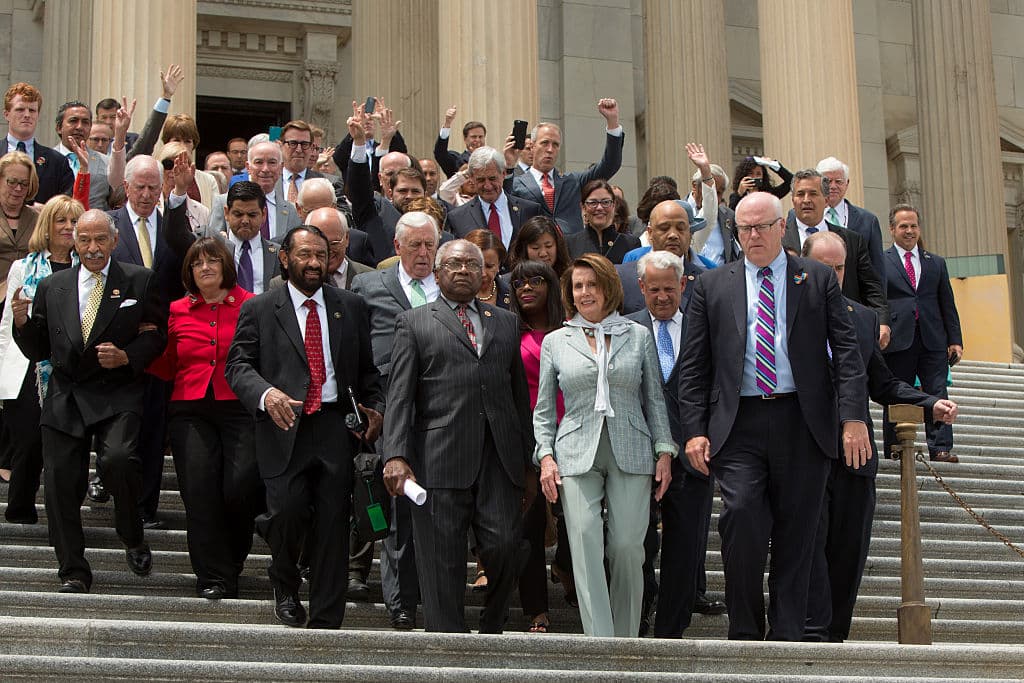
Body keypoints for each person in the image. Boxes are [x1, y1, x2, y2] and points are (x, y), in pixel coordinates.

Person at [677, 191, 870, 641]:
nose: (753, 235)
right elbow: (694, 367)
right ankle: (745, 630)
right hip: (739, 423)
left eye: (762, 226)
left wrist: (853, 418)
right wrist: (693, 432)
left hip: (803, 423)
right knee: (741, 516)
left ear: (782, 227)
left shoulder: (818, 278)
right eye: (744, 228)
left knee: (798, 534)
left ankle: (786, 635)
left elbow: (846, 354)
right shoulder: (712, 285)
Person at [800, 230, 959, 642]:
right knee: (807, 546)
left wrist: (929, 402)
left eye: (839, 268)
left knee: (849, 551)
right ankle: (810, 631)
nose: (832, 276)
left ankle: (835, 635)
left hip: (856, 456)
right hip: (803, 450)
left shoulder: (863, 317)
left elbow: (883, 384)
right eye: (823, 267)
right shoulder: (787, 313)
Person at [226, 225, 383, 629]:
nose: (314, 263)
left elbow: (367, 372)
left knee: (334, 522)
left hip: (335, 426)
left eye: (321, 254)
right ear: (285, 258)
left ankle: (328, 617)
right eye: (305, 255)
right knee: (288, 513)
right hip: (284, 423)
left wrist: (376, 409)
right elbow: (238, 366)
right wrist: (266, 395)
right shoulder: (260, 308)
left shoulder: (350, 305)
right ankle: (285, 582)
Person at [382, 239, 534, 634]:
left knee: (505, 546)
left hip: (498, 456)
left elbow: (519, 395)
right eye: (454, 264)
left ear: (485, 273)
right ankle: (446, 643)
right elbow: (399, 395)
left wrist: (529, 456)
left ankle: (493, 623)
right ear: (437, 273)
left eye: (473, 264)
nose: (464, 270)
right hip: (439, 457)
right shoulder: (414, 322)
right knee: (440, 559)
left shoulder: (504, 321)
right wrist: (395, 455)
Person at [12, 209, 167, 593]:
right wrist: (21, 324)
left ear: (114, 241)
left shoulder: (139, 280)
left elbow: (156, 336)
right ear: (73, 242)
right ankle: (73, 569)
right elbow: (40, 348)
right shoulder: (53, 286)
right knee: (61, 482)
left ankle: (131, 531)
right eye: (85, 240)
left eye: (101, 240)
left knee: (117, 461)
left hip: (117, 392)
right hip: (67, 393)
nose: (93, 248)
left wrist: (128, 356)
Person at [534, 252, 676, 637]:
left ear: (609, 288)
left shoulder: (638, 335)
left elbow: (654, 399)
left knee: (629, 548)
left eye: (592, 284)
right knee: (583, 541)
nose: (584, 292)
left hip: (631, 446)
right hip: (576, 450)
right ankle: (600, 640)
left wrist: (665, 449)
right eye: (578, 286)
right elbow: (544, 409)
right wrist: (545, 456)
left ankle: (626, 639)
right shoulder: (556, 341)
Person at [147, 237, 261, 600]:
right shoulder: (177, 310)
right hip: (190, 408)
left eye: (213, 261)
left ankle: (233, 561)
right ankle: (211, 575)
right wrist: (137, 351)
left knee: (240, 486)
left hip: (239, 408)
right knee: (199, 491)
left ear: (226, 265)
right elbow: (165, 363)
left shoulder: (252, 306)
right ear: (189, 272)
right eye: (198, 264)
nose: (206, 268)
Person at [624, 249, 723, 638]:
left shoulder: (706, 328)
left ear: (683, 285)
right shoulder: (625, 329)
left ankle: (671, 628)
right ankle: (639, 614)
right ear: (641, 288)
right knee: (636, 544)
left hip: (693, 454)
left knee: (686, 547)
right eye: (654, 290)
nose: (662, 297)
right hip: (637, 454)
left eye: (670, 289)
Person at [350, 210, 440, 630]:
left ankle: (437, 594)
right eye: (416, 245)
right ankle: (401, 602)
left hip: (444, 414)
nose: (424, 253)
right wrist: (366, 405)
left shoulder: (451, 288)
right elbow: (353, 353)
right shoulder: (368, 287)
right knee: (399, 507)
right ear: (397, 247)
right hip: (391, 413)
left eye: (430, 245)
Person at [0, 195, 82, 523]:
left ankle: (64, 516)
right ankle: (20, 508)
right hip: (27, 368)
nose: (68, 227)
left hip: (71, 369)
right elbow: (8, 325)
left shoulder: (88, 268)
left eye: (74, 221)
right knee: (28, 441)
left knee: (65, 446)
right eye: (60, 220)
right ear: (47, 226)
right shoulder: (23, 268)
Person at [508, 259, 567, 633]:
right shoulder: (508, 331)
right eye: (517, 284)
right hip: (524, 433)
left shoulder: (573, 330)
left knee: (574, 518)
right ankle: (536, 610)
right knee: (529, 524)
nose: (526, 288)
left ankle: (564, 563)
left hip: (574, 432)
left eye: (535, 281)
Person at [881, 204, 964, 463]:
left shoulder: (935, 263)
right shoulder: (881, 262)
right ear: (892, 229)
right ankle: (895, 445)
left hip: (932, 338)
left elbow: (947, 303)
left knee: (937, 391)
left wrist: (955, 340)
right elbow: (878, 300)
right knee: (896, 392)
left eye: (913, 225)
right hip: (898, 338)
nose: (909, 231)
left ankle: (940, 447)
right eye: (903, 226)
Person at [782, 169, 890, 343]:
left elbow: (871, 286)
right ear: (793, 200)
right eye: (800, 194)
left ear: (826, 200)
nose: (806, 200)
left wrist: (882, 321)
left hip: (844, 330)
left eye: (813, 193)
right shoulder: (779, 241)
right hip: (795, 333)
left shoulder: (852, 240)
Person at [509, 99, 624, 235]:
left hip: (571, 251)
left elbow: (610, 165)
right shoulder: (516, 183)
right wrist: (509, 164)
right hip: (536, 251)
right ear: (532, 146)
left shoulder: (573, 181)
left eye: (555, 145)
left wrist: (613, 122)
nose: (550, 149)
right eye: (545, 143)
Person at [444, 146, 543, 250]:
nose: (487, 186)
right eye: (481, 180)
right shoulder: (458, 218)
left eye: (492, 178)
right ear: (472, 178)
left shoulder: (529, 211)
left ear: (504, 173)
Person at [2, 83, 73, 204]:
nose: (27, 115)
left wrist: (43, 211)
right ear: (6, 115)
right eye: (20, 109)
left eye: (32, 110)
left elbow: (65, 206)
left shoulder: (57, 162)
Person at [565, 179, 640, 264]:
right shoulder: (570, 243)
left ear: (613, 205)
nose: (599, 208)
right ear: (583, 207)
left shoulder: (631, 244)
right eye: (593, 203)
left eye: (605, 202)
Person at [0, 152, 41, 300]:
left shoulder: (38, 219)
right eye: (12, 182)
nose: (18, 189)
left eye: (24, 184)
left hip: (28, 299)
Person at [463, 229, 511, 309]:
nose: (483, 273)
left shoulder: (513, 296)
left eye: (489, 266)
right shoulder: (451, 295)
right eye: (476, 266)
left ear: (499, 265)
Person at [434, 107, 487, 178]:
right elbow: (440, 153)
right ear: (465, 139)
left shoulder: (492, 160)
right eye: (474, 137)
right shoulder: (456, 160)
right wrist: (447, 124)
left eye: (480, 137)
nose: (477, 140)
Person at [728, 155, 793, 210]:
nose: (754, 177)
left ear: (763, 176)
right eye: (751, 173)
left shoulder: (769, 194)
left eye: (758, 174)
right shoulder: (735, 196)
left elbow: (791, 181)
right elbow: (731, 214)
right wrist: (739, 193)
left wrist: (772, 164)